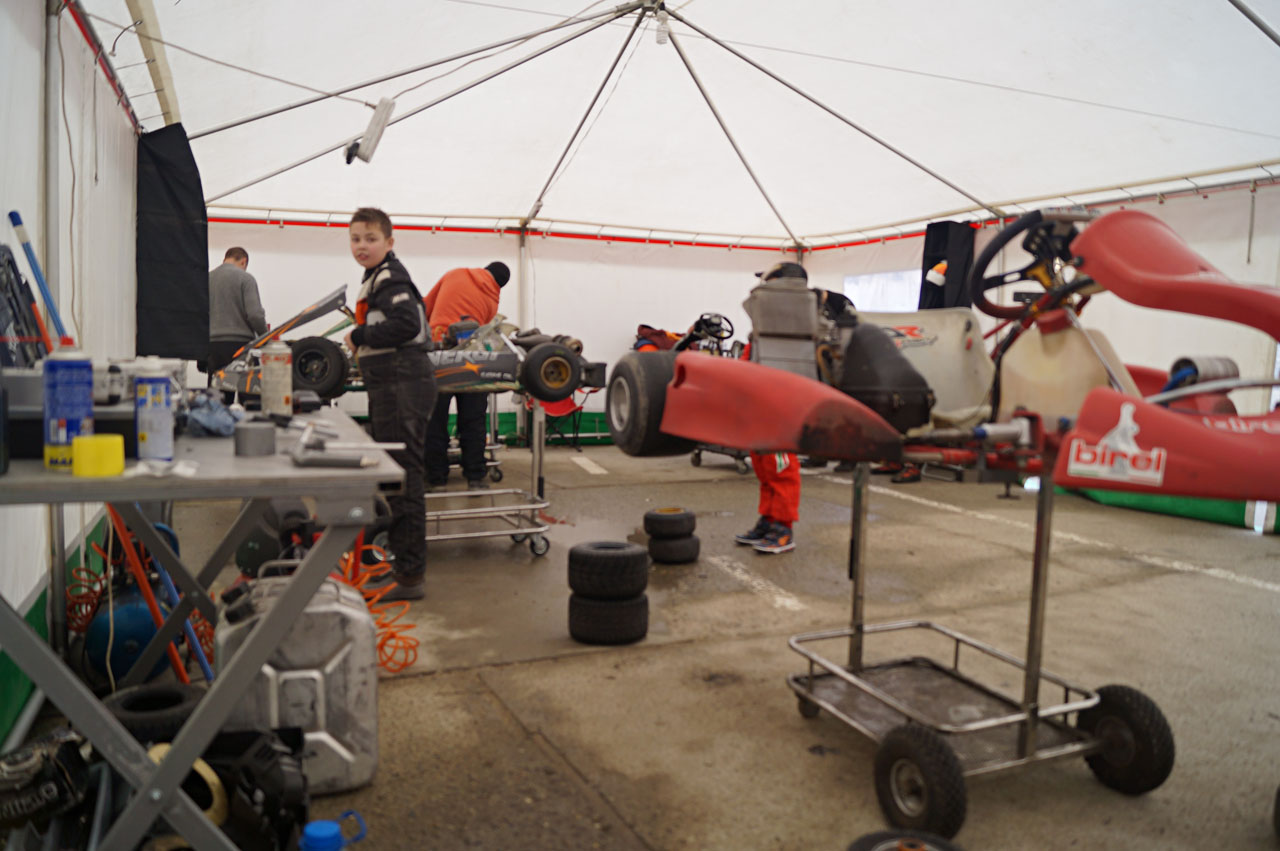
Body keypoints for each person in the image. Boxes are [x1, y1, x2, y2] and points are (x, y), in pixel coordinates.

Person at [342, 208, 436, 602]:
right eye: (355, 239)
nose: (361, 246)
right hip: (393, 383)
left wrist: (359, 335)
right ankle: (403, 567)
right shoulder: (375, 277)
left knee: (403, 479)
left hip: (402, 381)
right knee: (397, 478)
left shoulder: (390, 277)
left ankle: (409, 577)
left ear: (389, 242)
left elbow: (406, 324)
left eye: (371, 238)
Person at [733, 260, 808, 555]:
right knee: (764, 466)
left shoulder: (799, 320)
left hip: (782, 404)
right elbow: (753, 355)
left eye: (767, 281)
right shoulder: (766, 323)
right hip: (760, 402)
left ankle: (783, 527)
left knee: (781, 466)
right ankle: (769, 518)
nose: (761, 287)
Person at [421, 262, 510, 491]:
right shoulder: (493, 300)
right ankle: (475, 476)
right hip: (473, 358)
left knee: (435, 418)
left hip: (439, 352)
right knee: (473, 418)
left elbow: (425, 306)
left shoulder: (455, 274)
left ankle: (436, 478)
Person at [207, 247, 268, 375]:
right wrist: (266, 338)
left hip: (212, 346)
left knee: (216, 386)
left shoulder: (207, 278)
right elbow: (255, 315)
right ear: (243, 262)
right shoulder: (246, 278)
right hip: (240, 346)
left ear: (225, 259)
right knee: (244, 385)